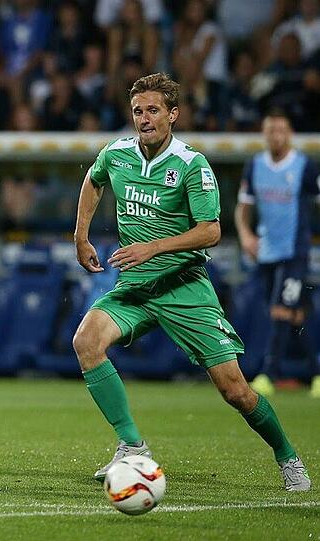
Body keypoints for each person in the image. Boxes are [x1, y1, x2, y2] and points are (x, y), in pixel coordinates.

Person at [72, 73, 310, 492]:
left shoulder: (190, 164)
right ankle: (132, 446)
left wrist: (153, 247)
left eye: (153, 110)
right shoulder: (117, 153)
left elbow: (211, 231)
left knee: (235, 391)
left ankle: (287, 456)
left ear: (173, 114)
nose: (144, 119)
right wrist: (81, 236)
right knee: (86, 342)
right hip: (137, 288)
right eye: (138, 111)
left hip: (184, 288)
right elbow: (94, 179)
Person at [235, 110, 320, 398]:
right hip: (267, 252)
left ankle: (268, 374)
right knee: (295, 315)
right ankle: (317, 373)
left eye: (281, 131)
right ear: (264, 134)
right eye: (271, 131)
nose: (276, 136)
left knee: (280, 310)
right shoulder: (255, 166)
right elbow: (243, 207)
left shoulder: (305, 167)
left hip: (294, 252)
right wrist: (246, 235)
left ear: (290, 134)